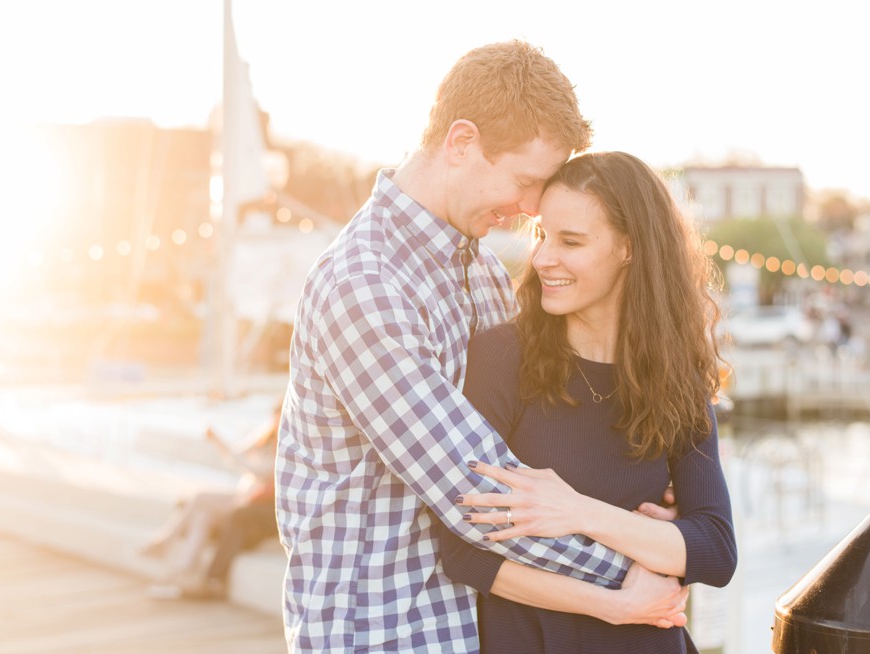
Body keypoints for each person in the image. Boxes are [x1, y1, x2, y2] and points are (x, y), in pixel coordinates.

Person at [275, 41, 687, 654]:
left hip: (477, 628)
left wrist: (639, 499)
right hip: (382, 629)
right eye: (525, 181)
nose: (528, 208)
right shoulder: (362, 285)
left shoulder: (486, 275)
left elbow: (537, 440)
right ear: (461, 142)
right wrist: (637, 559)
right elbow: (480, 492)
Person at [439, 151, 738, 653]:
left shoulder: (674, 377)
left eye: (570, 241)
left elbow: (714, 550)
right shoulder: (501, 357)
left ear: (629, 248)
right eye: (543, 236)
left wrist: (578, 511)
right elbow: (464, 553)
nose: (542, 259)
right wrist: (615, 604)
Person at [142, 399, 281, 599]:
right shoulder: (264, 440)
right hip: (243, 497)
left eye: (278, 417)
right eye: (274, 417)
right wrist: (218, 439)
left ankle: (167, 541)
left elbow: (256, 470)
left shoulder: (284, 448)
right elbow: (236, 453)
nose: (275, 421)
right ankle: (185, 568)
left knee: (200, 498)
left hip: (248, 501)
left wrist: (222, 443)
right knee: (201, 516)